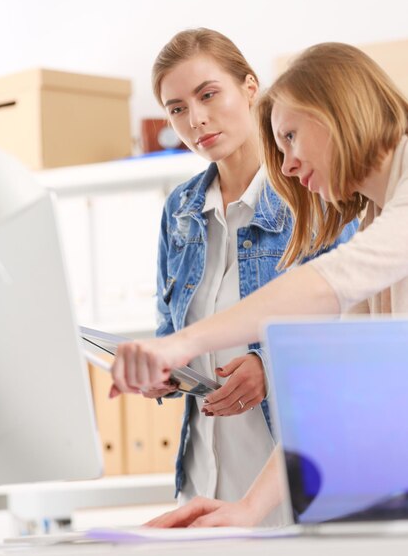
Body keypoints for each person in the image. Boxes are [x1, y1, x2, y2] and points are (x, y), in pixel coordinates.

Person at [111, 40, 408, 527]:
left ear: (338, 111)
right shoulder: (376, 214)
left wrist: (181, 345)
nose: (287, 163)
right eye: (177, 109)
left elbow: (324, 285)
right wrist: (248, 508)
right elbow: (338, 376)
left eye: (291, 136)